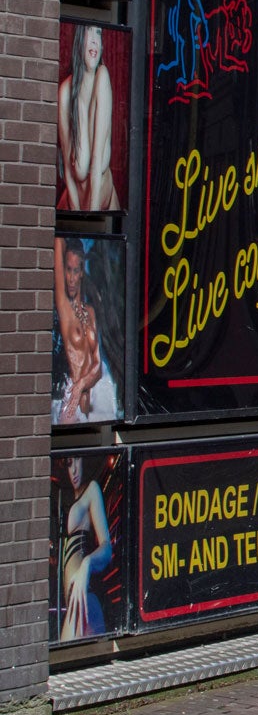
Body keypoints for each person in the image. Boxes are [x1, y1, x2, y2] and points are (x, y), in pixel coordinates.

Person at [53, 237, 116, 423]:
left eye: (76, 271)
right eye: (67, 270)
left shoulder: (90, 312)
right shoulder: (65, 310)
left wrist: (82, 384)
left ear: (81, 273)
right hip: (70, 404)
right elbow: (58, 244)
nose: (71, 278)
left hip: (86, 402)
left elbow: (97, 368)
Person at [57, 24, 118, 212]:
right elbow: (68, 169)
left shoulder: (102, 77)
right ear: (78, 41)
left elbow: (97, 158)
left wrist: (90, 220)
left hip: (100, 203)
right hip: (74, 201)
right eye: (88, 32)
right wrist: (77, 215)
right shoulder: (66, 91)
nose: (94, 39)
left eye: (98, 33)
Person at [56, 457, 113, 642]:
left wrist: (87, 564)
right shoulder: (65, 497)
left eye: (77, 461)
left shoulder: (91, 490)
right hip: (77, 599)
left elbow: (106, 547)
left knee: (68, 661)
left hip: (83, 596)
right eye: (68, 464)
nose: (73, 471)